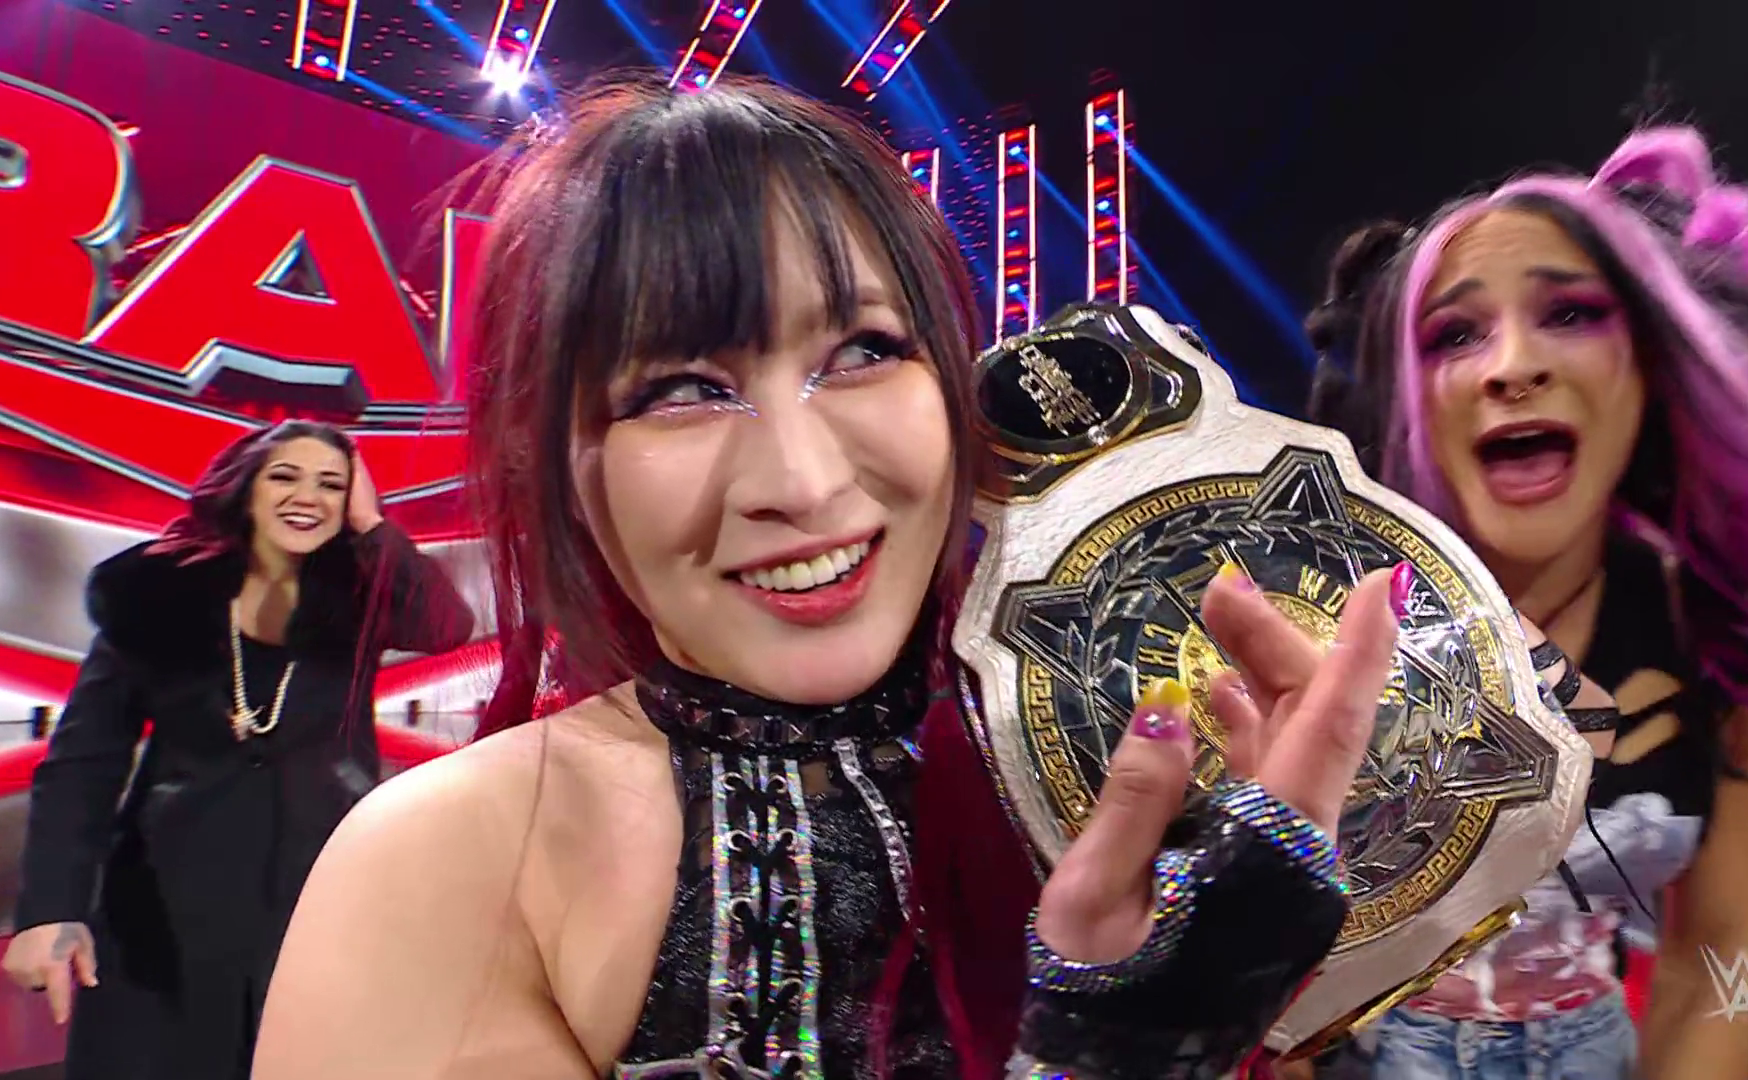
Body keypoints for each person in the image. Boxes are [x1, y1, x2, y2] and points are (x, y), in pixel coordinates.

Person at [254, 78, 1408, 1080]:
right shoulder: (451, 868)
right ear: (550, 456)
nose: (801, 482)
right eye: (680, 390)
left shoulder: (1120, 758)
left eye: (864, 352)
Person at [1305, 127, 1748, 1079]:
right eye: (1456, 334)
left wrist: (1733, 1026)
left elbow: (1725, 964)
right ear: (1413, 398)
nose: (1513, 365)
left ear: (1648, 368)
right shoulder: (1329, 628)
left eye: (1572, 314)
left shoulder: (1726, 638)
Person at [2, 420, 477, 1079]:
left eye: (330, 484)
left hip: (315, 906)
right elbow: (84, 761)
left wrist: (373, 525)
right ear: (244, 488)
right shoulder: (157, 596)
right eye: (285, 476)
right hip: (163, 918)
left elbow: (446, 625)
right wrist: (51, 910)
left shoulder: (359, 597)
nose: (307, 497)